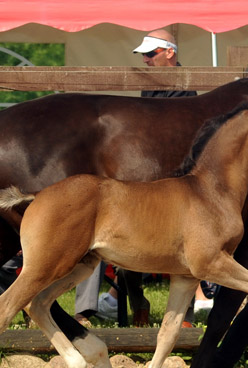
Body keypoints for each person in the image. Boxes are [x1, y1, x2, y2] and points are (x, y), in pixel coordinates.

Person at [74, 28, 198, 328]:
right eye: (144, 54)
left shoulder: (187, 88)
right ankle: (135, 305)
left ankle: (181, 315)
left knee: (186, 242)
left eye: (150, 53)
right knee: (123, 240)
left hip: (174, 181)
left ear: (170, 52)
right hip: (146, 177)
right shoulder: (154, 87)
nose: (145, 59)